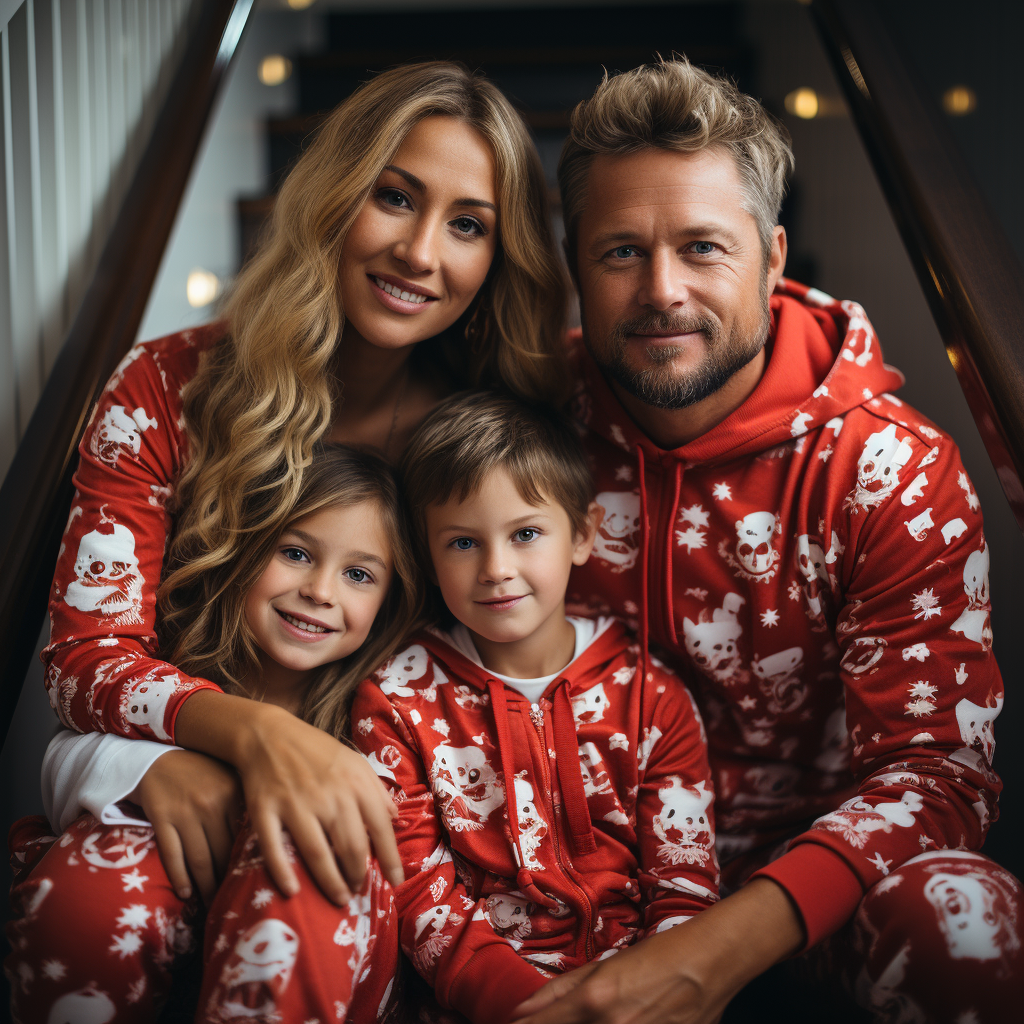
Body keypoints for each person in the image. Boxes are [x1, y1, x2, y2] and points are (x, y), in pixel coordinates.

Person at [15, 60, 568, 1021]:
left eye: (469, 223)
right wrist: (233, 740)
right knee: (81, 906)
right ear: (333, 192)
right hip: (186, 785)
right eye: (394, 196)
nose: (421, 252)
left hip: (380, 835)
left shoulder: (486, 448)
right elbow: (85, 657)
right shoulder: (166, 388)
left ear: (497, 257)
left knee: (302, 897)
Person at [509, 58, 1022, 1024]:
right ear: (574, 261)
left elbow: (937, 776)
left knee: (973, 920)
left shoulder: (891, 469)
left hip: (811, 893)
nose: (663, 291)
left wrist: (721, 946)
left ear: (775, 256)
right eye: (621, 252)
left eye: (703, 247)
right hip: (565, 878)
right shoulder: (522, 427)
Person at [8, 444, 418, 1021]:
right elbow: (65, 765)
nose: (322, 591)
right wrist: (142, 767)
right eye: (296, 553)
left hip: (324, 953)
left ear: (388, 599)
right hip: (157, 915)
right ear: (247, 549)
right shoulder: (169, 685)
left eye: (357, 574)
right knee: (95, 885)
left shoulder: (383, 718)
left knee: (315, 845)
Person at [349, 391, 718, 1024]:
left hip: (644, 997)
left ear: (582, 535)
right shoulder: (395, 699)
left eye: (525, 534)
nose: (497, 568)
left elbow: (685, 882)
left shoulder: (652, 698)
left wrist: (646, 995)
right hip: (478, 1003)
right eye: (463, 542)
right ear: (426, 553)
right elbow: (417, 894)